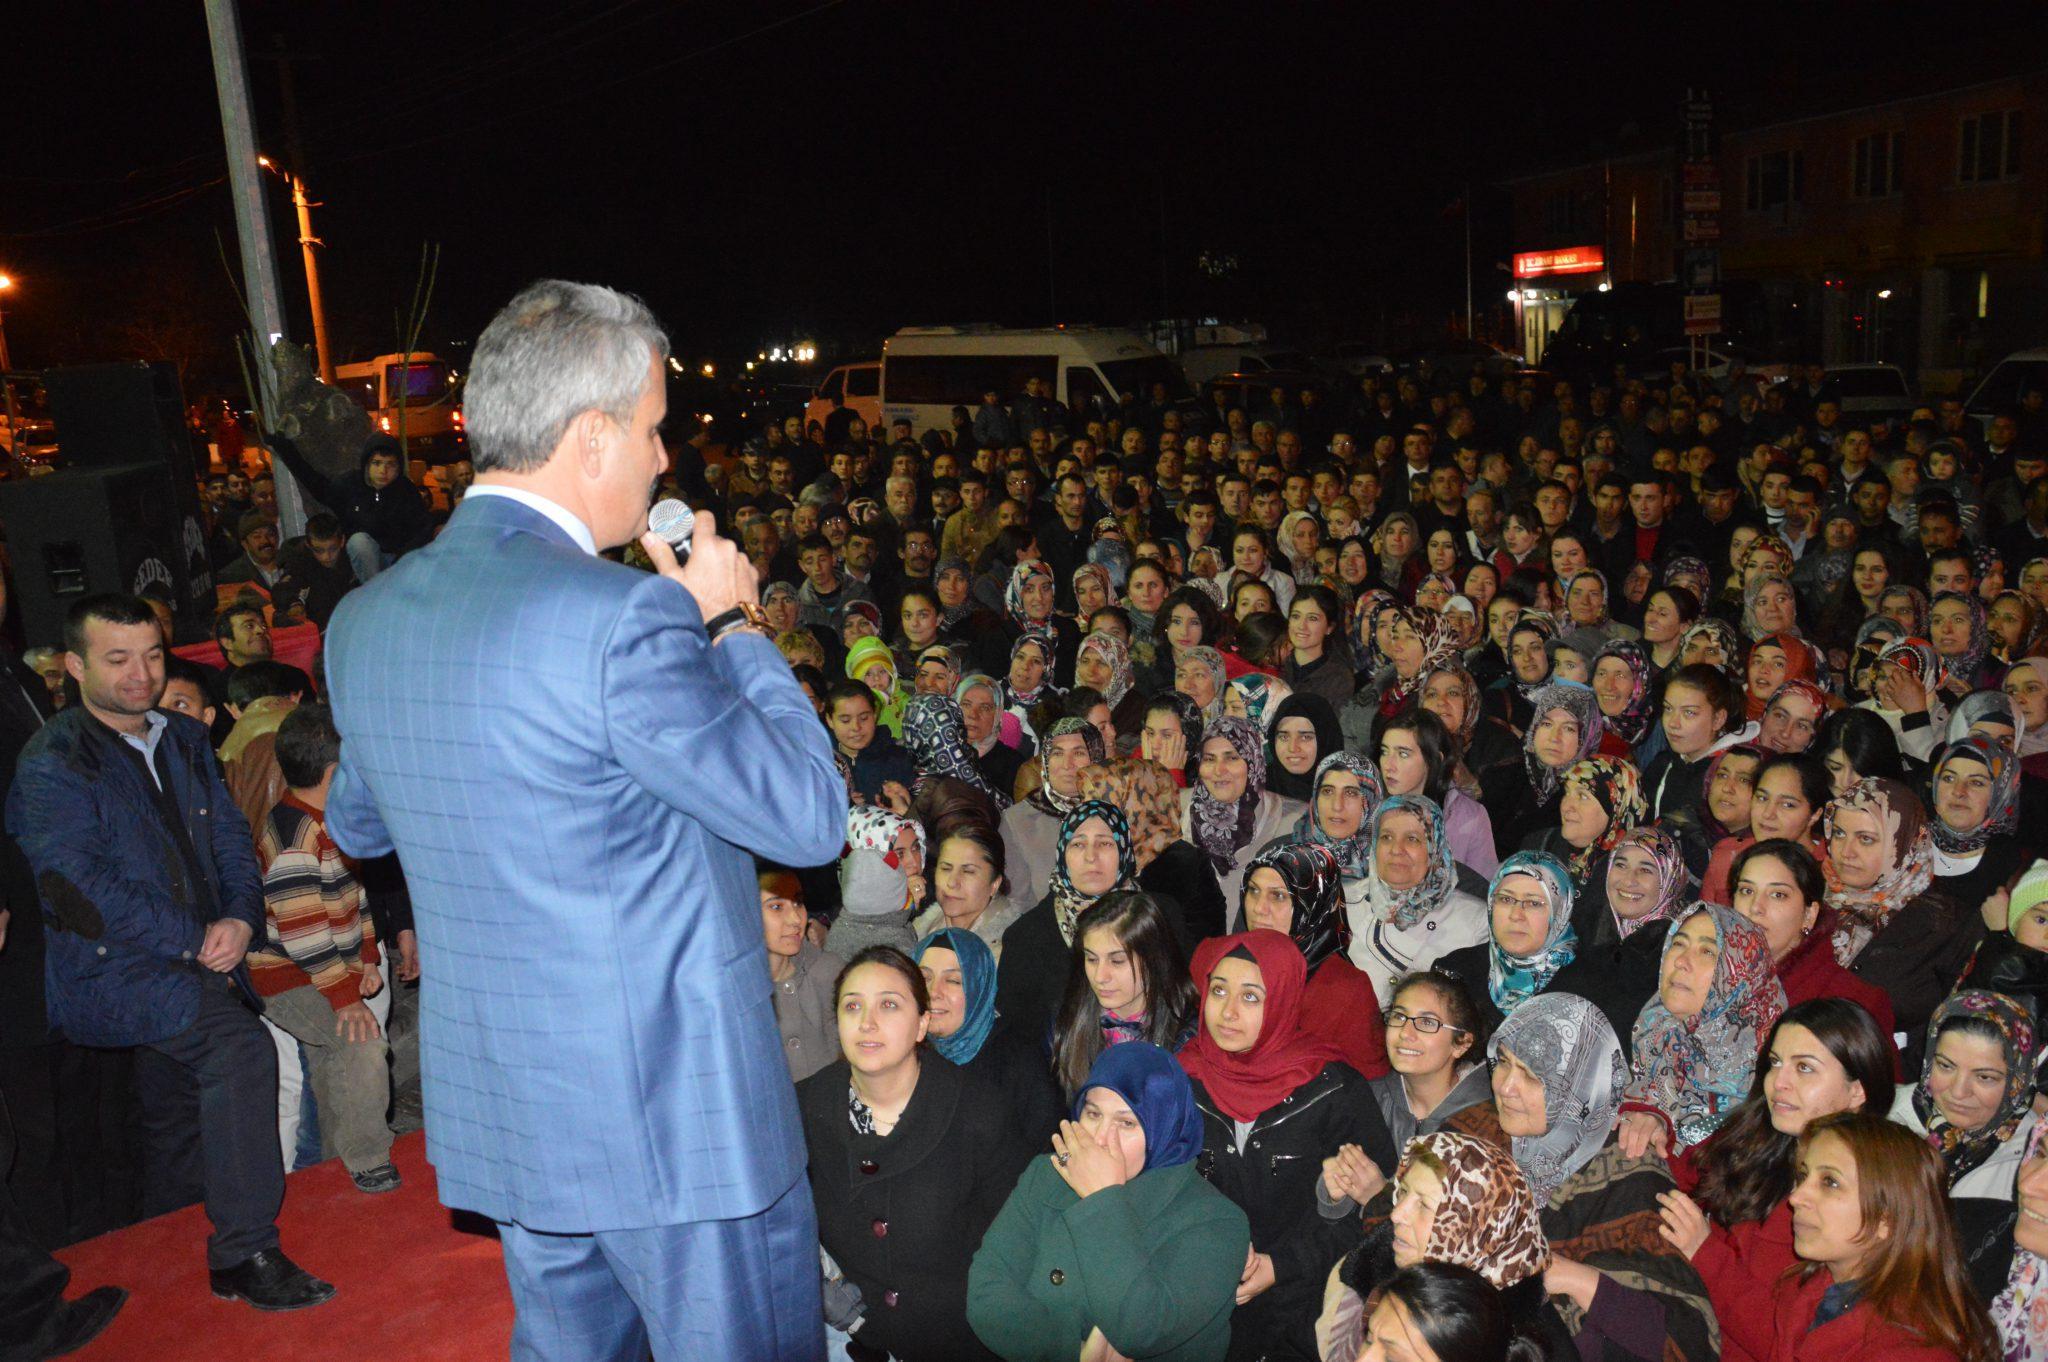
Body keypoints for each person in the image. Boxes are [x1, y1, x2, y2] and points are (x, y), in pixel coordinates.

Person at [320, 282, 844, 1358]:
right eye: (653, 431)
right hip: (679, 1134)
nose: (663, 461)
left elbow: (363, 829)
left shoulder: (363, 620)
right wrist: (736, 627)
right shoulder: (626, 617)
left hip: (515, 1120)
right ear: (593, 435)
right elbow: (805, 819)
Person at [796, 946, 1030, 1362]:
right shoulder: (806, 1106)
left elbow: (1018, 1242)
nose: (867, 1023)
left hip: (959, 1341)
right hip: (851, 1340)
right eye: (852, 1006)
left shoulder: (979, 1111)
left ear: (922, 1024)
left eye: (889, 1005)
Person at [1178, 929, 1397, 1362]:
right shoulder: (1182, 1079)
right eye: (1218, 990)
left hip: (1303, 1307)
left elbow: (1377, 1218)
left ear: (1282, 999)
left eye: (1252, 997)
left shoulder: (1332, 1089)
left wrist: (1279, 1266)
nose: (1228, 1011)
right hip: (1198, 1297)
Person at [965, 1042, 1251, 1362]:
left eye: (1126, 1123)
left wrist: (1102, 1199)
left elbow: (1141, 1328)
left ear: (1165, 1129)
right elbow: (986, 1293)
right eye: (1093, 1113)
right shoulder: (1046, 1175)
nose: (1100, 1138)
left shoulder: (1217, 1221)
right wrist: (1073, 1353)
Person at [1653, 999, 1897, 1362]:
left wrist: (1705, 1253)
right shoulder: (1768, 1135)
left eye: (1805, 1068)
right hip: (1683, 1311)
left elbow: (1789, 1342)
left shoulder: (1861, 1192)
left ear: (1857, 1091)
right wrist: (1649, 1123)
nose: (1779, 1082)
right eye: (1776, 1063)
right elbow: (1680, 1172)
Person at [1485, 995, 1718, 1362]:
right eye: (1502, 1062)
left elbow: (1683, 1340)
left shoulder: (1633, 1176)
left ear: (1581, 1082)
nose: (1505, 1086)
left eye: (1531, 1075)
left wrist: (1574, 1279)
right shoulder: (1484, 1135)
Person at [1692, 1112, 1999, 1362]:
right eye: (1803, 1176)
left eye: (1830, 1182)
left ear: (1887, 1219)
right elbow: (1768, 1334)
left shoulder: (1911, 1350)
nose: (1796, 1197)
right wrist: (1703, 1251)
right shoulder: (1816, 1290)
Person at [249, 702, 398, 1194]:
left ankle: (336, 1160)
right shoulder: (298, 837)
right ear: (336, 771)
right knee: (361, 1043)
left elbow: (354, 897)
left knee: (334, 1063)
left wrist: (368, 958)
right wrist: (345, 995)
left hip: (323, 966)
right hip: (287, 974)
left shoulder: (331, 820)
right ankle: (368, 1154)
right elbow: (304, 933)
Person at [1890, 990, 2040, 1302]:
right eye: (1945, 1066)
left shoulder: (2033, 1161)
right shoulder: (1884, 1117)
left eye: (1984, 1077)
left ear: (2017, 1080)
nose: (1959, 1091)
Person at [1618, 903, 1787, 1157]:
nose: (1681, 961)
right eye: (1678, 943)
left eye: (1707, 951)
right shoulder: (1648, 1031)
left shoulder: (1776, 1076)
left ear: (1738, 974)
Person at [1822, 777, 1977, 1053]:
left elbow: (1960, 1029)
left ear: (1904, 842)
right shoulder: (1808, 897)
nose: (1846, 852)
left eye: (1866, 839)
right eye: (1839, 833)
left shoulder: (1949, 924)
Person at [1240, 841, 1390, 1080]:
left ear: (1313, 904)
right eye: (1253, 890)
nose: (1259, 908)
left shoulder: (1347, 989)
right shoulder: (1231, 963)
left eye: (1278, 896)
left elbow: (1369, 1088)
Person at [994, 800, 1140, 1045]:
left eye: (1104, 843)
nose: (1091, 856)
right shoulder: (1026, 937)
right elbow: (1018, 1039)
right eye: (1078, 844)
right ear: (1062, 853)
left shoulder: (1158, 919)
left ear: (1124, 850)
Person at [914, 927, 1059, 1145]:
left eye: (953, 981)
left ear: (979, 987)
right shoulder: (906, 1054)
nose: (934, 991)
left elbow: (1046, 1151)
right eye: (924, 977)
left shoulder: (1018, 1061)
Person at [1050, 892, 1198, 1099]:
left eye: (1117, 961)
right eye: (1091, 959)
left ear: (1153, 958)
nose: (1100, 976)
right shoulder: (1068, 1020)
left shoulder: (1189, 1035)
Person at [1347, 795, 1490, 1004]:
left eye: (1412, 839)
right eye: (1386, 837)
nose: (1396, 850)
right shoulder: (1342, 902)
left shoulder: (1476, 920)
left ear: (1435, 849)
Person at [1435, 852, 1578, 1037]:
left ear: (1560, 910)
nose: (1516, 914)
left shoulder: (1587, 987)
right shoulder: (1454, 972)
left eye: (1534, 903)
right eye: (1506, 899)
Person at [1362, 970, 1502, 1157]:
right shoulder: (1365, 1101)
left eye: (1427, 1022)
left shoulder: (1491, 1122)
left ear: (1461, 1043)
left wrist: (1378, 1187)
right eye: (1399, 1016)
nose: (1405, 1032)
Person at [266, 432, 435, 583]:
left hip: (401, 560)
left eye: (390, 464)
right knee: (359, 542)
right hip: (367, 562)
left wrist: (403, 559)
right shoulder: (350, 485)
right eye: (377, 463)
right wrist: (286, 449)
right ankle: (375, 594)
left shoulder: (405, 490)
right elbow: (316, 484)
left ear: (398, 468)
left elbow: (423, 528)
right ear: (367, 464)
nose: (383, 470)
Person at [1182, 715, 1303, 913]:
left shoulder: (1292, 821)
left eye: (1231, 758)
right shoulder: (1180, 809)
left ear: (1253, 762)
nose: (1219, 770)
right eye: (1209, 759)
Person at [1375, 709, 1498, 877]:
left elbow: (1483, 888)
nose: (1388, 765)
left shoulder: (1471, 817)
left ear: (1434, 760)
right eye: (1384, 752)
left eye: (1403, 754)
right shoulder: (1371, 807)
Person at [999, 717, 1101, 906]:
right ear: (1045, 760)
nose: (1067, 764)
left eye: (1078, 753)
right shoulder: (1017, 820)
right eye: (1057, 753)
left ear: (1095, 757)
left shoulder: (1114, 811)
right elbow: (1017, 904)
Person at [761, 866, 843, 1083]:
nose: (796, 919)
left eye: (798, 902)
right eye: (777, 906)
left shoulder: (830, 973)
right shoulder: (728, 995)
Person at [910, 823, 1021, 957]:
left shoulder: (1008, 951)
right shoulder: (916, 931)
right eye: (946, 868)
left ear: (994, 884)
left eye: (968, 871)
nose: (952, 882)